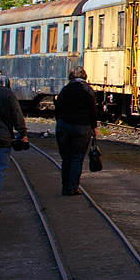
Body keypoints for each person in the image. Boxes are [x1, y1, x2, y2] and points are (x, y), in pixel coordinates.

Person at [55, 66, 97, 196]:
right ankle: (73, 187)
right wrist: (94, 127)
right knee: (77, 158)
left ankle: (65, 187)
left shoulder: (65, 90)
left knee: (66, 158)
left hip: (63, 126)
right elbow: (92, 110)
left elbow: (57, 109)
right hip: (82, 127)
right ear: (84, 77)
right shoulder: (87, 90)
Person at [0, 74, 29, 211]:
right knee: (0, 170)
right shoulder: (8, 95)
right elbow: (16, 115)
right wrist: (22, 133)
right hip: (3, 138)